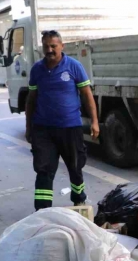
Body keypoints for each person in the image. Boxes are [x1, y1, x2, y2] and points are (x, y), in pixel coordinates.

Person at [25, 30, 99, 211]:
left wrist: (95, 121)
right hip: (43, 129)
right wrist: (29, 127)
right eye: (46, 46)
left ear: (62, 46)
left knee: (75, 167)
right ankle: (43, 210)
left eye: (53, 46)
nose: (49, 50)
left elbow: (87, 95)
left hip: (70, 127)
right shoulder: (37, 69)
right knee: (43, 169)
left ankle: (79, 200)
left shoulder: (74, 66)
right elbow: (31, 100)